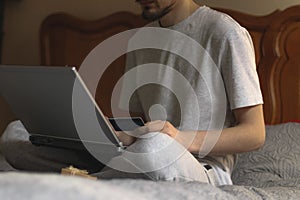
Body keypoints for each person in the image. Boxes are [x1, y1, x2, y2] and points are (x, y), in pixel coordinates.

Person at [0, 0, 265, 186]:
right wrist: (104, 131)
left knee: (157, 147)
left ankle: (85, 184)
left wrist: (179, 138)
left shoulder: (225, 32)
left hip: (198, 168)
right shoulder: (141, 39)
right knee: (14, 134)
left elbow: (255, 134)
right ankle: (99, 180)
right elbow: (137, 122)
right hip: (136, 154)